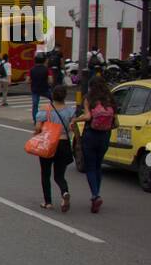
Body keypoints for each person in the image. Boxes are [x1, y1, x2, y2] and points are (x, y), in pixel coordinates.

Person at [74, 74, 116, 213]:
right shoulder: (110, 99)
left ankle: (95, 195)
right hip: (105, 135)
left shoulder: (89, 98)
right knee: (98, 165)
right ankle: (97, 192)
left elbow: (87, 116)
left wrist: (75, 120)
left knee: (90, 167)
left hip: (91, 135)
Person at [35, 84, 77, 212]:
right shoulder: (70, 111)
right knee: (59, 175)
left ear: (52, 95)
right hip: (63, 143)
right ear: (65, 96)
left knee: (45, 173)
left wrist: (38, 131)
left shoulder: (45, 109)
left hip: (48, 143)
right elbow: (72, 127)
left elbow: (38, 127)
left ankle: (48, 202)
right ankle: (64, 192)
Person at [29, 53, 50, 122]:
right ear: (44, 60)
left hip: (35, 89)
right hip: (45, 89)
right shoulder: (46, 69)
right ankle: (54, 115)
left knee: (35, 105)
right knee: (54, 100)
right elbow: (51, 80)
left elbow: (27, 80)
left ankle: (35, 120)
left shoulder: (32, 69)